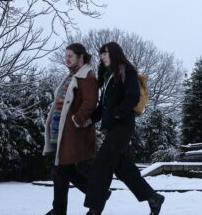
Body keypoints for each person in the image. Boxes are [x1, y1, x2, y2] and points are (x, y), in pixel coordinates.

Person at [84, 42, 165, 215]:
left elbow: (133, 97)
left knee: (102, 164)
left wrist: (117, 114)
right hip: (113, 128)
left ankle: (94, 210)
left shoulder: (126, 70)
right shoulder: (108, 77)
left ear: (114, 53)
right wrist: (90, 120)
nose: (102, 57)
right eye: (101, 55)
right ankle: (153, 198)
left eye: (104, 54)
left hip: (123, 125)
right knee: (123, 168)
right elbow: (102, 107)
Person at [43, 43, 101, 215]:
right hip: (59, 132)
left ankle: (58, 210)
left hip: (71, 134)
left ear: (81, 56)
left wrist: (76, 120)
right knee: (63, 171)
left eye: (70, 56)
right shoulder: (71, 76)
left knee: (60, 170)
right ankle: (99, 193)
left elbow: (90, 102)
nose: (66, 58)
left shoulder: (87, 76)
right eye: (66, 55)